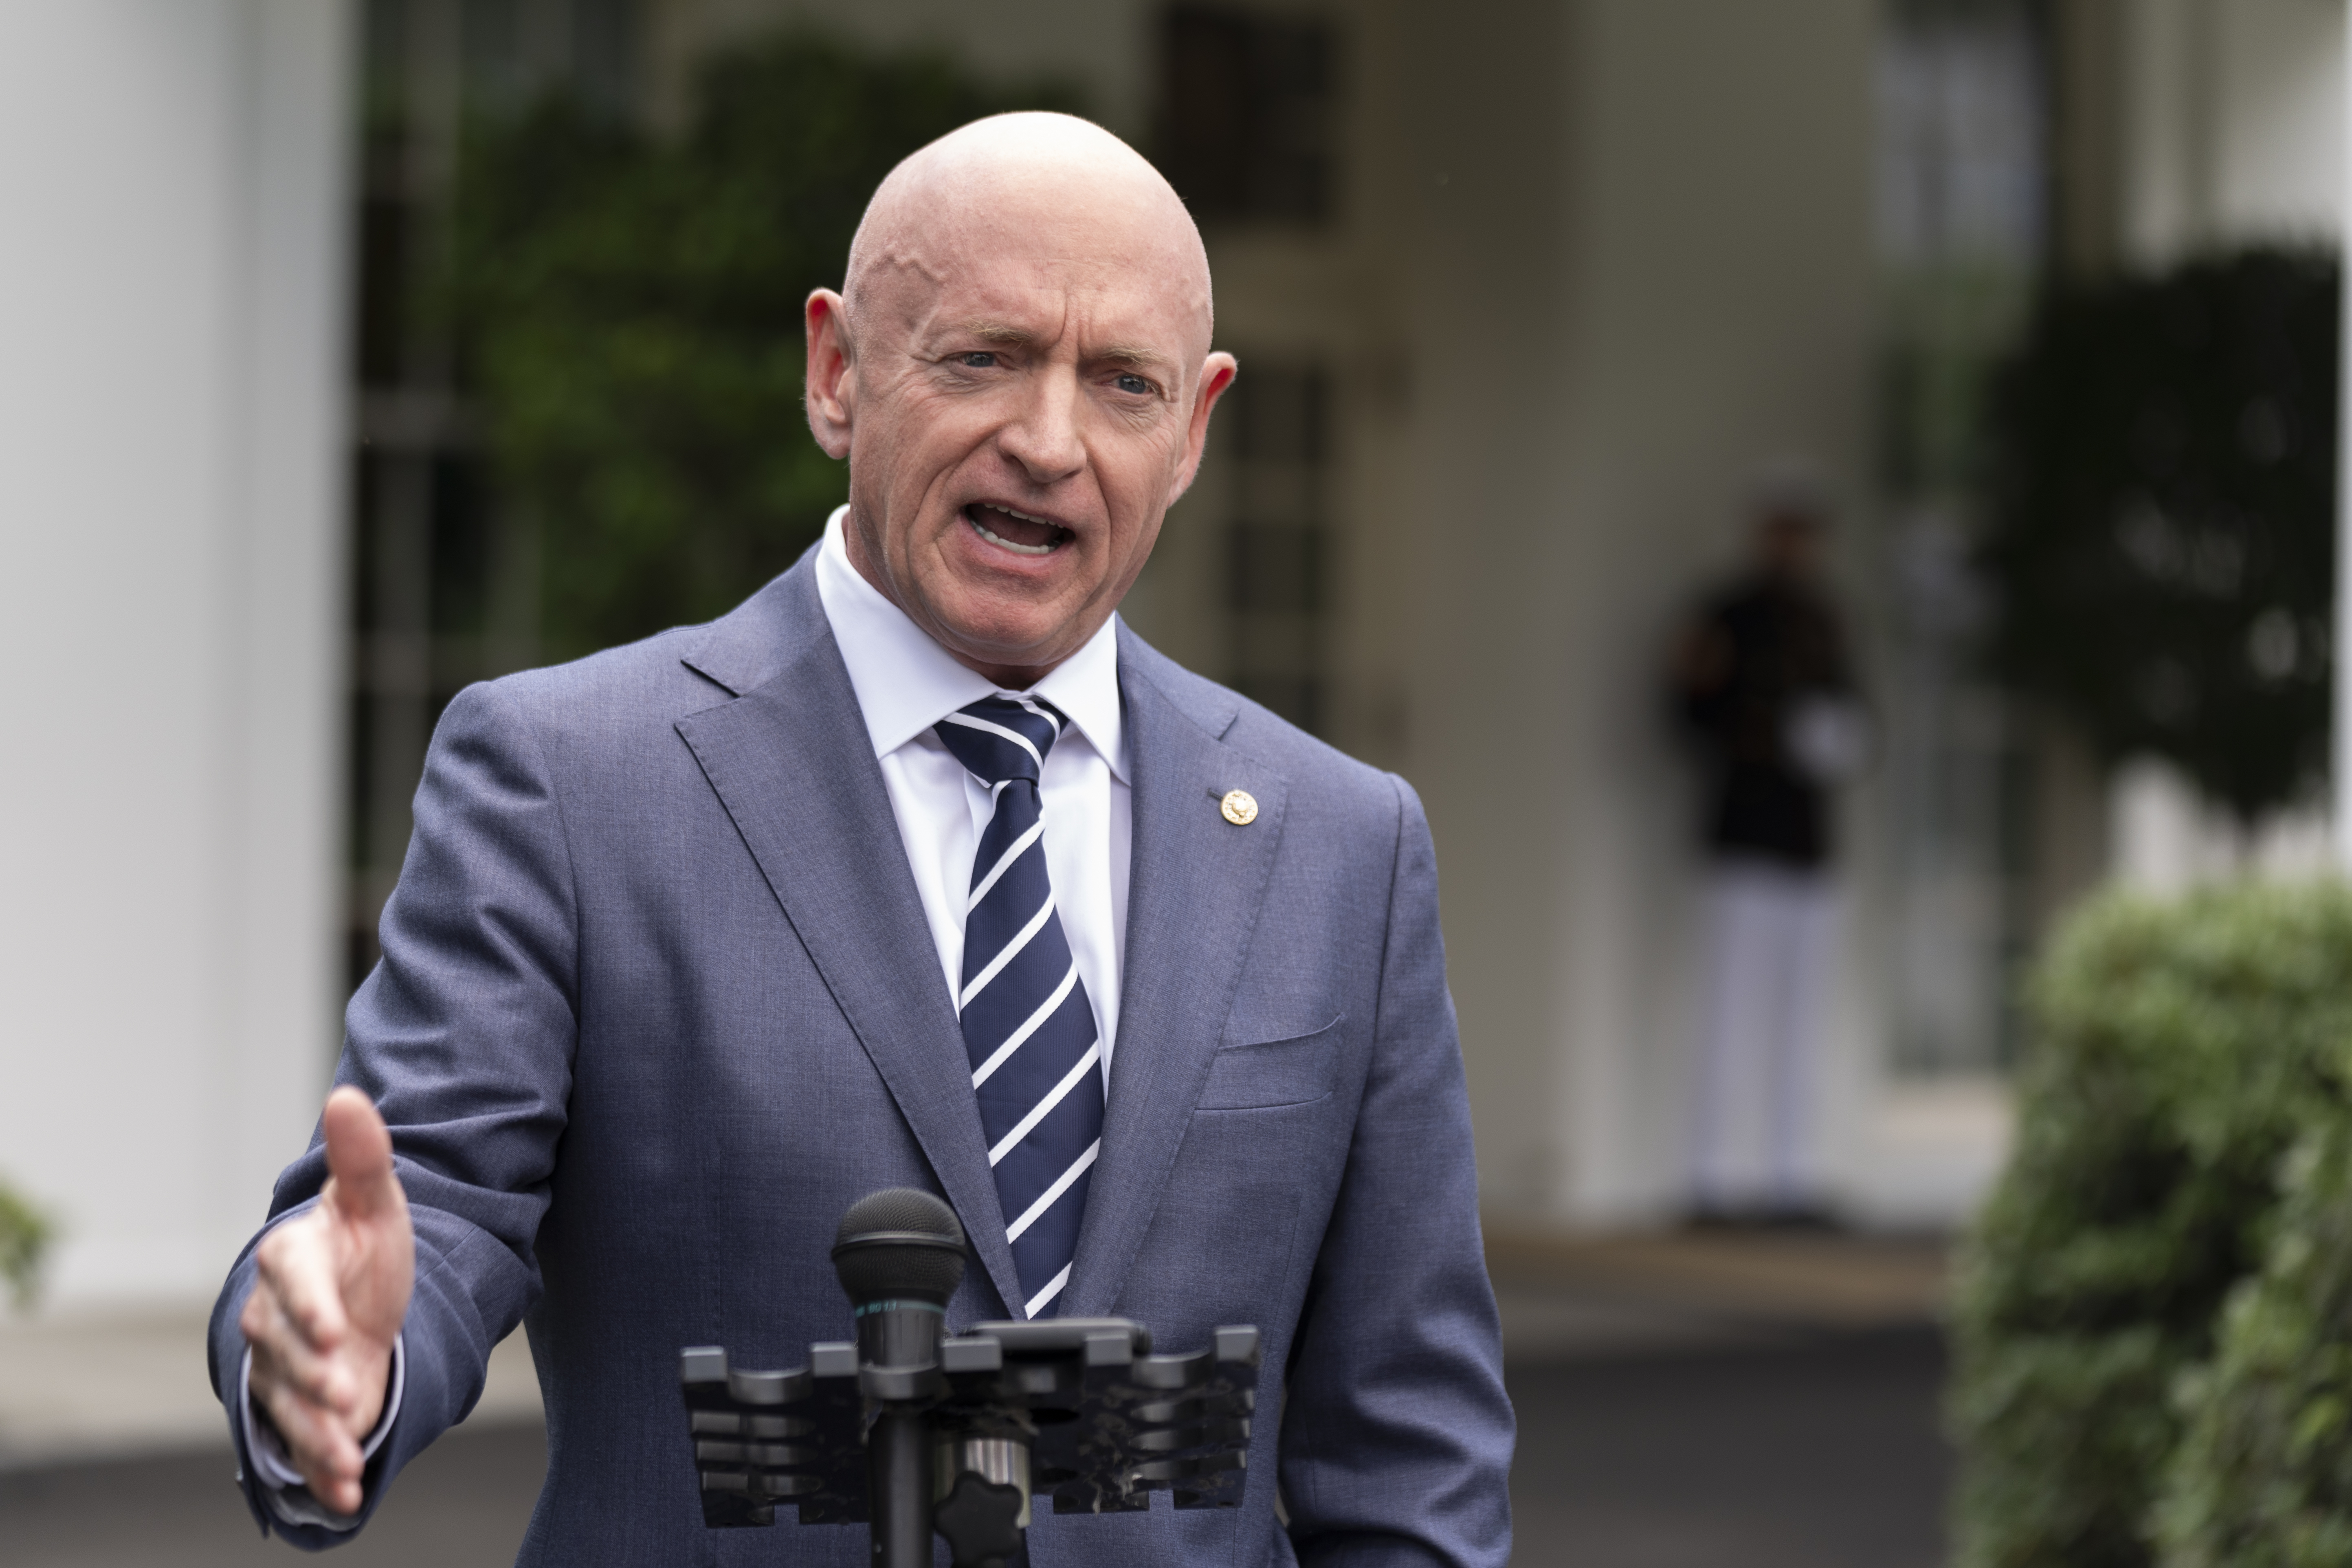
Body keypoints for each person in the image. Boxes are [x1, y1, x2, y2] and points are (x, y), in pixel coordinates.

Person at [207, 112, 1512, 1565]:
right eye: (984, 357)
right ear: (837, 371)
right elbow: (424, 1212)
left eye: (1122, 384)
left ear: (1195, 428)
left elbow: (1411, 1458)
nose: (1048, 438)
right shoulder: (569, 781)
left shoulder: (1342, 844)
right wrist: (339, 1358)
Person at [1668, 477, 1866, 1228]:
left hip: (1808, 844)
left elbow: (1854, 710)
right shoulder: (1726, 615)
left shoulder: (1827, 616)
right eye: (1785, 529)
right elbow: (1689, 712)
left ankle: (1793, 1174)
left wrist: (1839, 741)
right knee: (1731, 1008)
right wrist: (1760, 737)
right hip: (1742, 836)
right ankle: (1713, 1177)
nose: (1796, 545)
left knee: (1802, 1014)